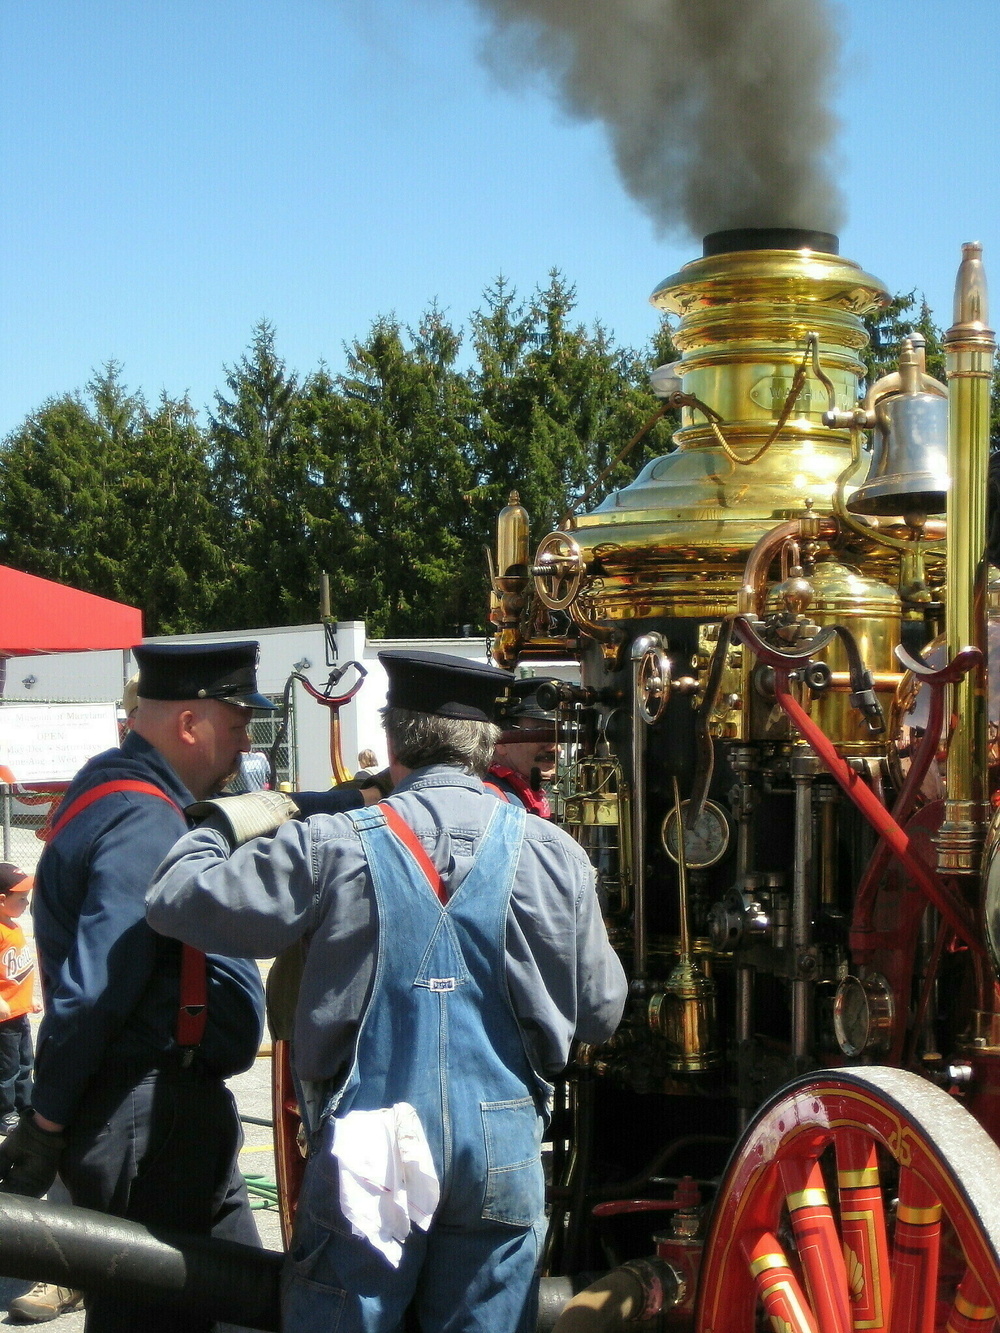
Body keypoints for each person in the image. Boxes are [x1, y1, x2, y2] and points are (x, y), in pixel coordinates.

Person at [146, 649, 627, 1333]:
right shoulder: (556, 853)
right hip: (502, 1145)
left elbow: (176, 899)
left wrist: (221, 822)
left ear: (394, 736)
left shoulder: (331, 842)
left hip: (371, 1148)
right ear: (486, 743)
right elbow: (603, 1011)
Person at [0, 642, 277, 1333]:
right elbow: (95, 990)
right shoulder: (144, 817)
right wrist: (47, 1120)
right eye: (238, 726)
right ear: (190, 723)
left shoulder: (120, 789)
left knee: (247, 1304)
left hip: (171, 1108)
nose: (246, 747)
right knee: (156, 1317)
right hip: (149, 1114)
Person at [0, 865, 39, 1135]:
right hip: (4, 1018)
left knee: (26, 1062)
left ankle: (25, 1104)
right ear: (2, 900)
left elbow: (18, 973)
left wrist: (28, 1001)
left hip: (19, 1012)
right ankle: (6, 1113)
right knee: (7, 1068)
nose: (26, 903)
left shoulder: (13, 925)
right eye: (21, 899)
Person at [486, 677, 559, 817]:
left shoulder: (521, 793)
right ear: (502, 742)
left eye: (558, 737)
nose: (556, 748)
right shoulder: (491, 797)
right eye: (542, 736)